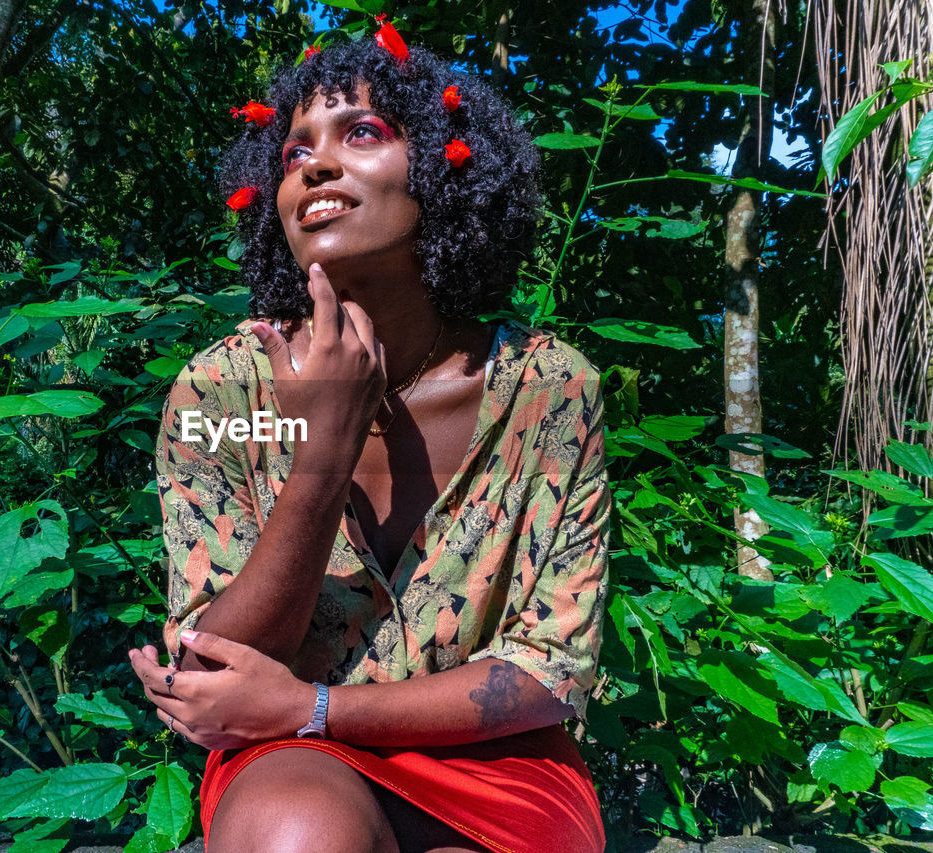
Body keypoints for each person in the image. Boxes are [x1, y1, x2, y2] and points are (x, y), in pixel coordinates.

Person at [129, 25, 609, 853]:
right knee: (295, 834)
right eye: (292, 152)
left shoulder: (549, 390)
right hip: (286, 764)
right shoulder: (223, 390)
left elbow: (550, 669)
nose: (314, 164)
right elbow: (215, 667)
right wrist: (323, 452)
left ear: (442, 170)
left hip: (493, 763)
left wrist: (311, 706)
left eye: (361, 132)